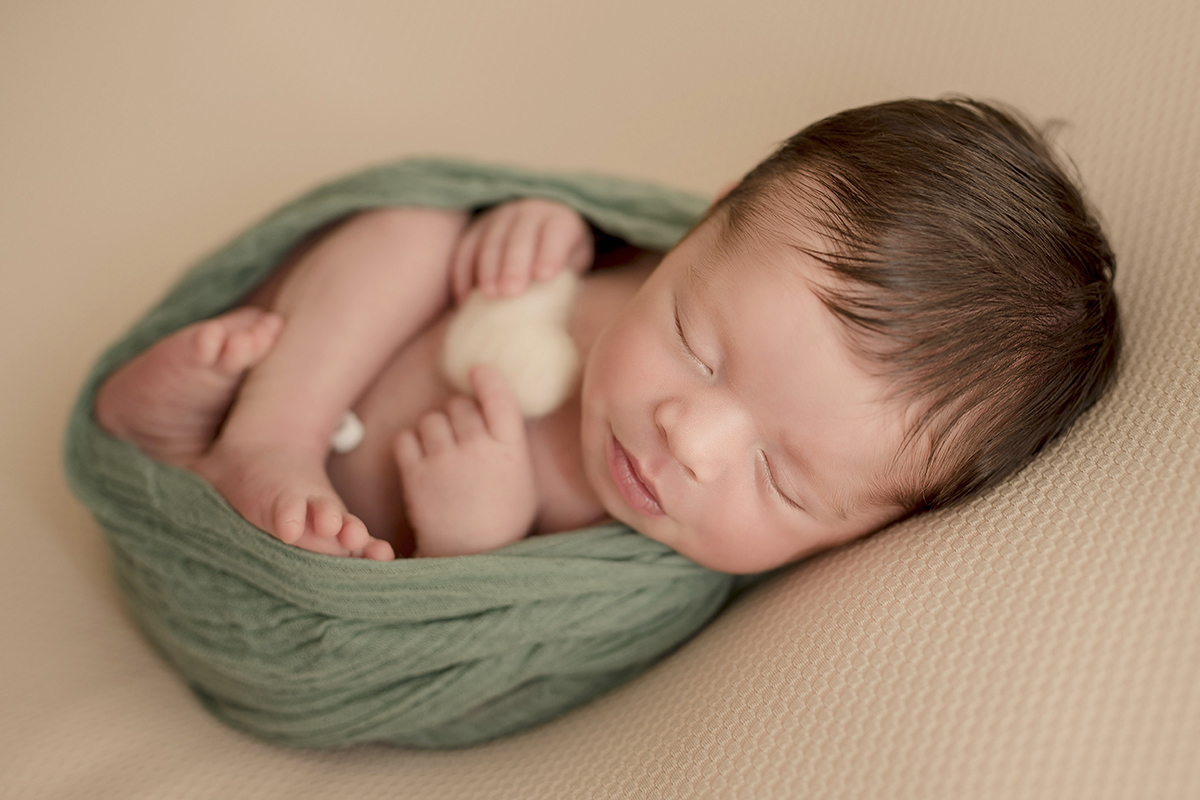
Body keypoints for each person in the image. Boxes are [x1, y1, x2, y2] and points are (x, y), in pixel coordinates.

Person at [93, 98, 1120, 575]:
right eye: (697, 344)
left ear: (869, 530)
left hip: (353, 518)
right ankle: (262, 427)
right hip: (319, 380)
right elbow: (552, 238)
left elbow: (498, 660)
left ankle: (175, 452)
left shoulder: (631, 552)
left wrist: (471, 543)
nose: (689, 438)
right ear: (699, 230)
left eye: (784, 480)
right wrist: (534, 226)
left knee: (329, 557)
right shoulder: (626, 262)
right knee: (415, 227)